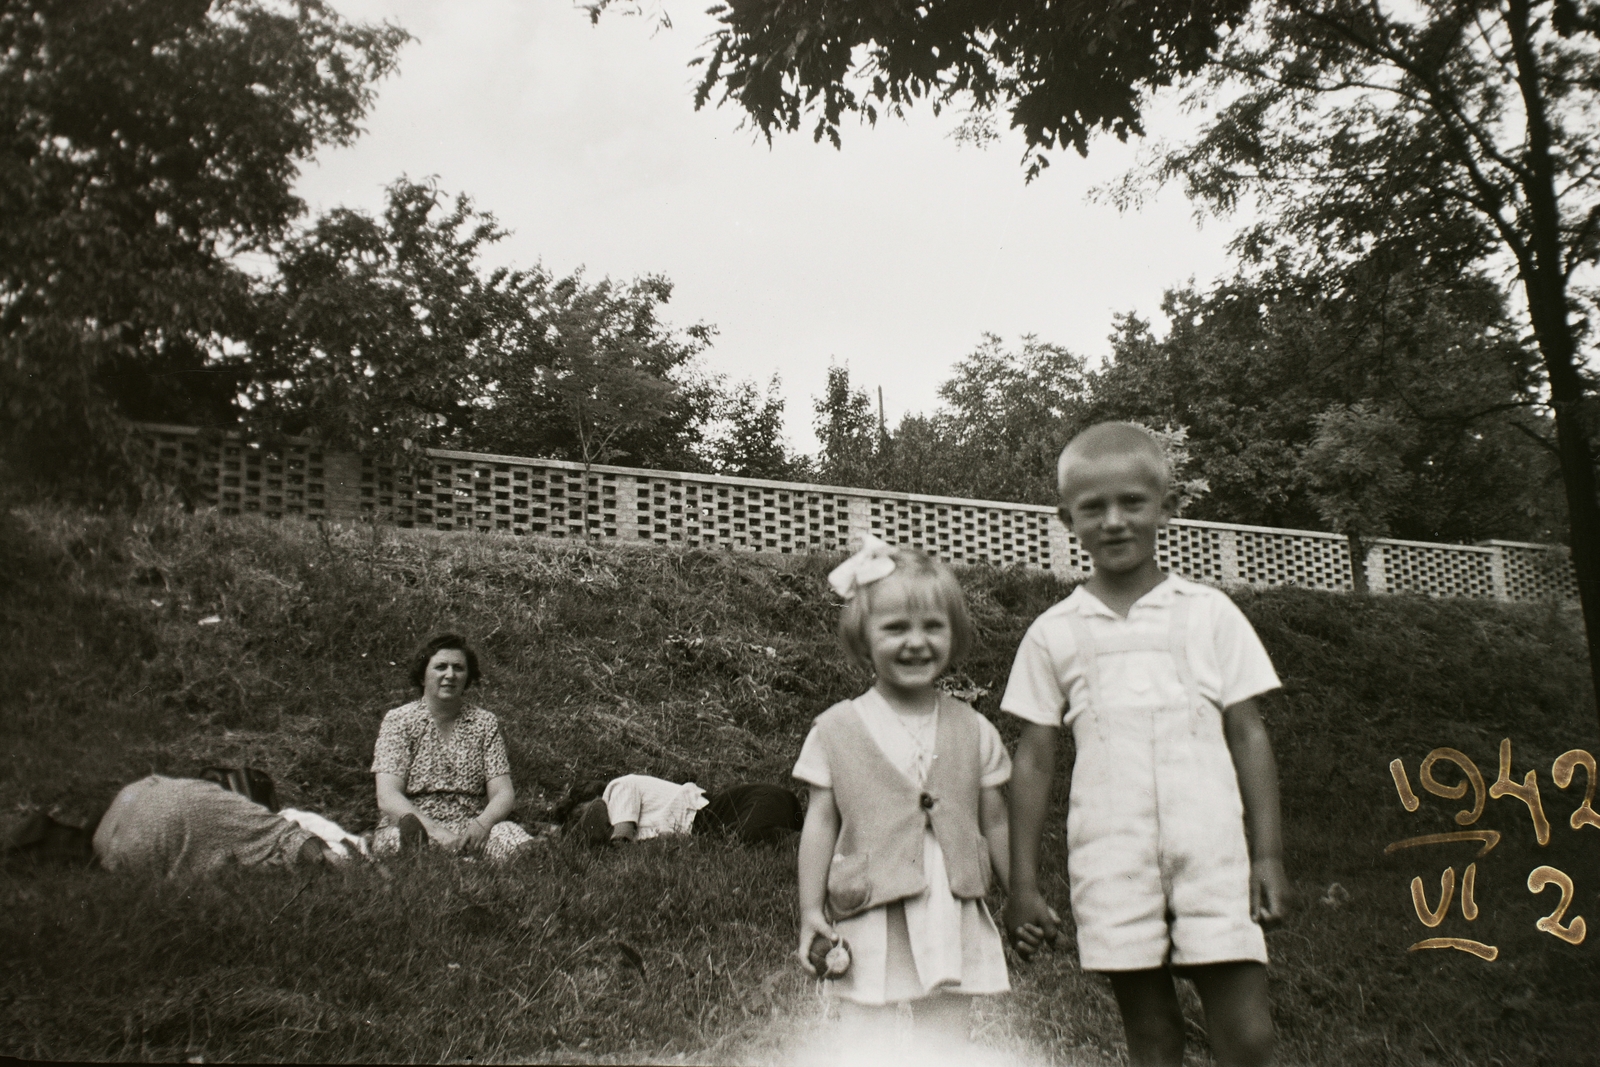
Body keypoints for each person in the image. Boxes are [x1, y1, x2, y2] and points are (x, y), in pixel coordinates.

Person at [1002, 422, 1290, 1067]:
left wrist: (1268, 855)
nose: (1113, 521)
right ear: (1067, 519)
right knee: (1154, 1038)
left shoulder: (1209, 614)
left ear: (1166, 507)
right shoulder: (1054, 632)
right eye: (1092, 508)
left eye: (1132, 502)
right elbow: (1034, 758)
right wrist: (1022, 883)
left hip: (1213, 856)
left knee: (1247, 1036)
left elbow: (1248, 732)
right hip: (1112, 862)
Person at [792, 536, 1012, 1055]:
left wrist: (1021, 891)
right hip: (870, 904)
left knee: (946, 1036)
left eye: (933, 626)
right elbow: (820, 822)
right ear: (863, 640)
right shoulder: (836, 728)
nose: (917, 642)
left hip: (949, 902)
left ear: (954, 635)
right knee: (865, 1032)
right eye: (895, 628)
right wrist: (810, 908)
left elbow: (996, 819)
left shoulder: (974, 729)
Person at [370, 633, 535, 863]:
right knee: (399, 841)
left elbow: (503, 793)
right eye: (441, 667)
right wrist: (436, 833)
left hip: (471, 829)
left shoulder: (484, 723)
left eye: (458, 668)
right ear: (422, 676)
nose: (450, 675)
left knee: (515, 840)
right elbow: (387, 796)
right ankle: (453, 863)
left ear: (467, 677)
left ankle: (531, 855)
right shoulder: (399, 721)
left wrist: (482, 824)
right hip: (416, 826)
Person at [92, 775, 333, 877]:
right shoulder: (224, 808)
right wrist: (334, 861)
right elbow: (290, 837)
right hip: (141, 844)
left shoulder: (159, 786)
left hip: (109, 842)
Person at [567, 774, 803, 846]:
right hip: (730, 820)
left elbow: (621, 839)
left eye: (579, 813)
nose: (581, 819)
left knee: (752, 837)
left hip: (741, 804)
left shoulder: (617, 788)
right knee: (752, 842)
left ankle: (815, 845)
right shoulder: (630, 821)